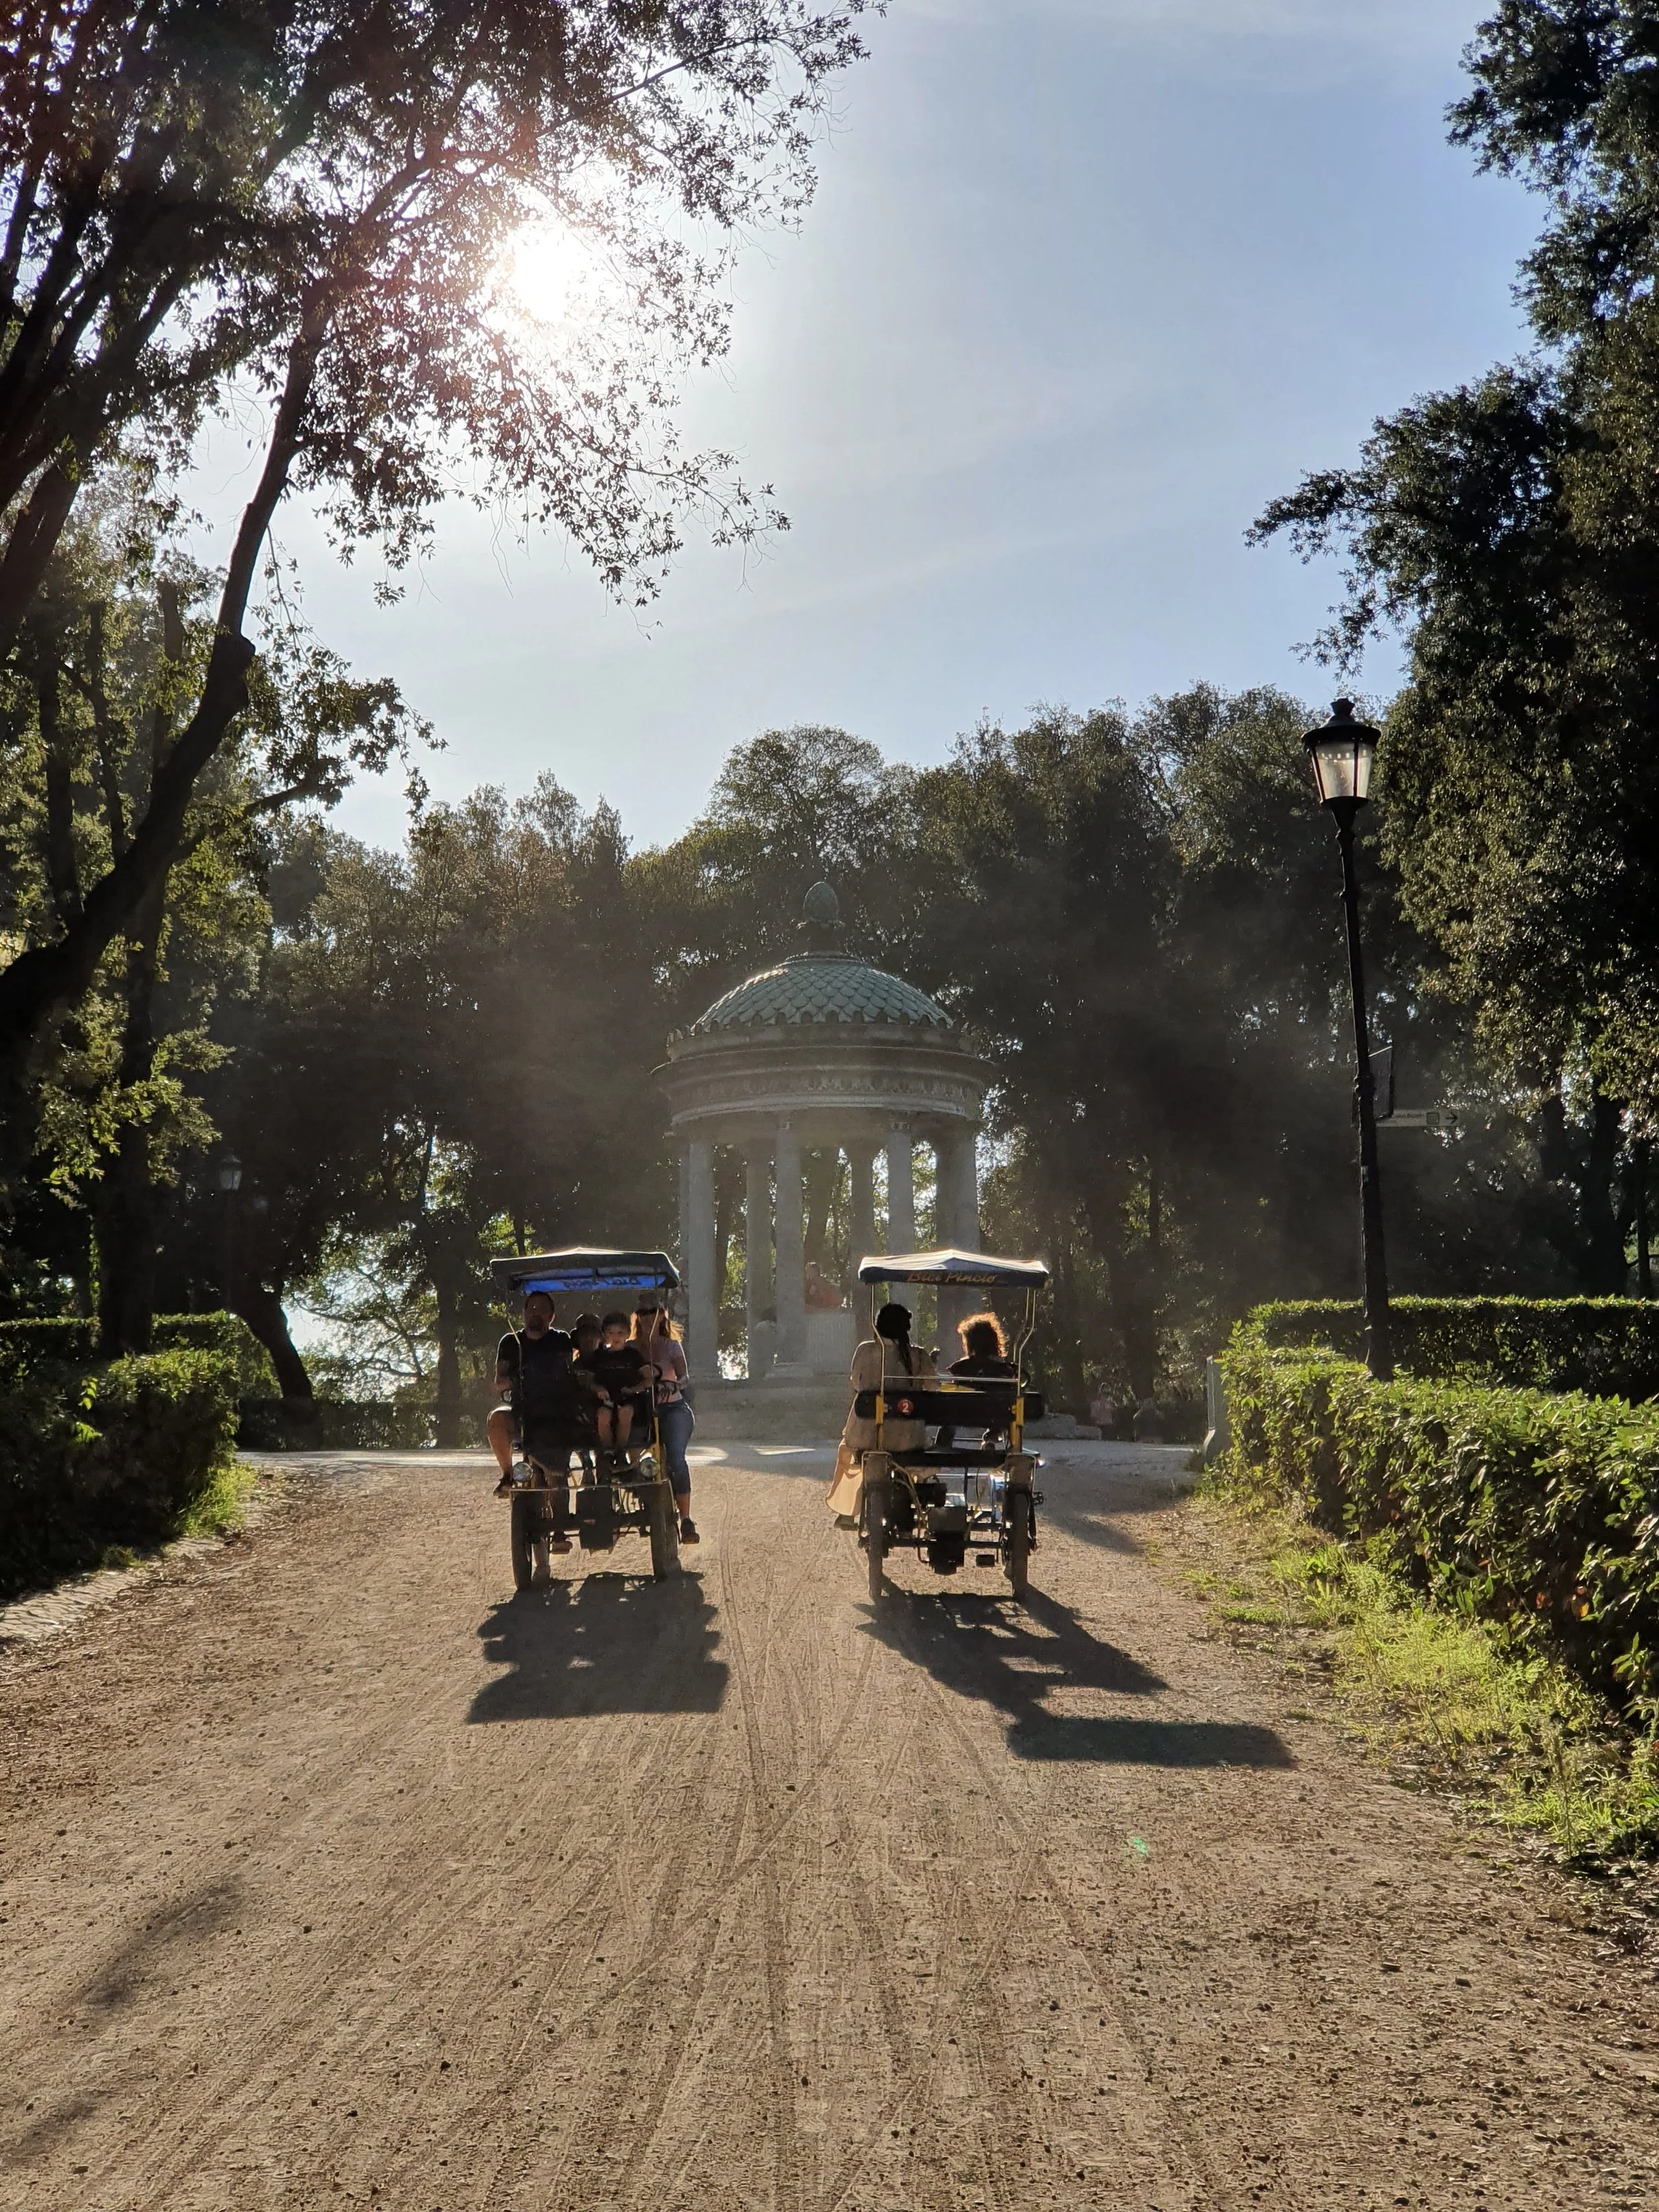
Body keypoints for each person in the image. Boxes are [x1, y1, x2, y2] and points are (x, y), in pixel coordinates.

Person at [488, 1290, 578, 1550]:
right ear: (524, 1313)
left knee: (555, 1469)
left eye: (541, 1309)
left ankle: (559, 1529)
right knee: (496, 1419)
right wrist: (517, 1380)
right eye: (531, 1308)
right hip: (523, 1414)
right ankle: (507, 1475)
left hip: (555, 1415)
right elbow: (500, 1381)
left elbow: (562, 1370)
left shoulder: (560, 1340)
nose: (535, 1313)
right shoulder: (510, 1342)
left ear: (551, 1316)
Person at [633, 1296, 699, 1545]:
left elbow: (684, 1377)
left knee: (676, 1459)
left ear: (662, 1315)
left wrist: (670, 1384)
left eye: (652, 1311)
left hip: (673, 1409)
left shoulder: (672, 1347)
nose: (647, 1316)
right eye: (642, 1312)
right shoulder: (630, 1347)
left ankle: (686, 1519)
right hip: (642, 1411)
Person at [577, 1311, 654, 1466]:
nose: (616, 1337)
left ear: (627, 1334)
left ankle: (620, 1450)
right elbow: (589, 1380)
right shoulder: (599, 1356)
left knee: (625, 1412)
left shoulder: (633, 1355)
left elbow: (649, 1379)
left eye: (620, 1333)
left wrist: (634, 1389)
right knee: (603, 1415)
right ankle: (607, 1452)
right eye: (611, 1333)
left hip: (629, 1398)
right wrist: (598, 1389)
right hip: (606, 1399)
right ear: (605, 1335)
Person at [938, 1311, 1018, 1447]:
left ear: (970, 1342)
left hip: (963, 1415)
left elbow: (953, 1391)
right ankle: (996, 1436)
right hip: (995, 1416)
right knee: (1009, 1410)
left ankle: (942, 1445)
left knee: (949, 1412)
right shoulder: (1006, 1370)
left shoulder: (960, 1367)